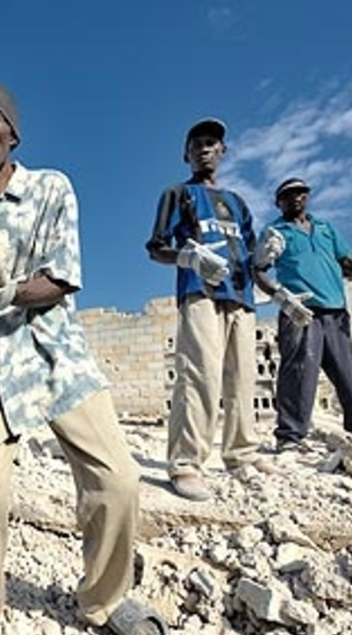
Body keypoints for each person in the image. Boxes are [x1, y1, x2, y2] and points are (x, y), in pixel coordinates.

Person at [0, 73, 169, 635]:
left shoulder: (51, 189)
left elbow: (59, 279)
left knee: (117, 480)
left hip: (52, 357)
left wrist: (1, 293)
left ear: (12, 131)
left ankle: (102, 599)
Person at [145, 118, 273, 502]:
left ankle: (241, 453)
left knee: (243, 377)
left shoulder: (237, 203)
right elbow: (155, 247)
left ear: (223, 152)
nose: (204, 148)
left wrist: (270, 275)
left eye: (212, 143)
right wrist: (187, 256)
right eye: (197, 143)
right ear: (186, 153)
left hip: (242, 296)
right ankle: (186, 463)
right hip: (200, 291)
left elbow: (253, 259)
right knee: (200, 376)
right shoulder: (177, 194)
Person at [253, 177, 352, 452]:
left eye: (300, 193)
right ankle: (289, 436)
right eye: (288, 195)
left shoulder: (325, 228)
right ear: (278, 203)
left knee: (346, 370)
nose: (295, 198)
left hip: (335, 310)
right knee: (299, 371)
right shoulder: (274, 231)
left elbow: (346, 262)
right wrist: (281, 296)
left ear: (308, 196)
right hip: (300, 311)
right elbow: (259, 269)